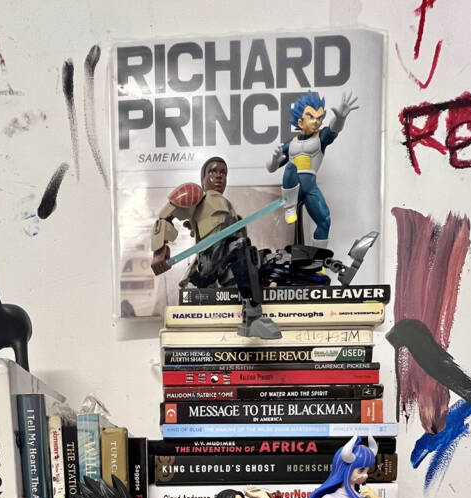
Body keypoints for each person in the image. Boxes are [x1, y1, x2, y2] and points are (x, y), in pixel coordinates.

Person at [150, 156, 281, 339]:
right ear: (203, 178)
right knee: (241, 249)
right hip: (207, 264)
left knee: (260, 258)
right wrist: (159, 251)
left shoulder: (232, 213)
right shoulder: (197, 196)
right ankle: (251, 318)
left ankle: (252, 318)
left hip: (227, 268)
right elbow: (165, 216)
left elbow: (241, 247)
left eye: (223, 173)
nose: (218, 176)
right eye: (212, 171)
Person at [266, 91, 358, 242]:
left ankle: (319, 255)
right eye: (311, 116)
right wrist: (275, 160)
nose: (316, 121)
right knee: (290, 167)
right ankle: (290, 208)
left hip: (310, 189)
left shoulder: (320, 138)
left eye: (319, 118)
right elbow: (270, 168)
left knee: (325, 221)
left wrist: (340, 118)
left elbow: (333, 130)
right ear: (300, 121)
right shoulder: (290, 144)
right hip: (293, 189)